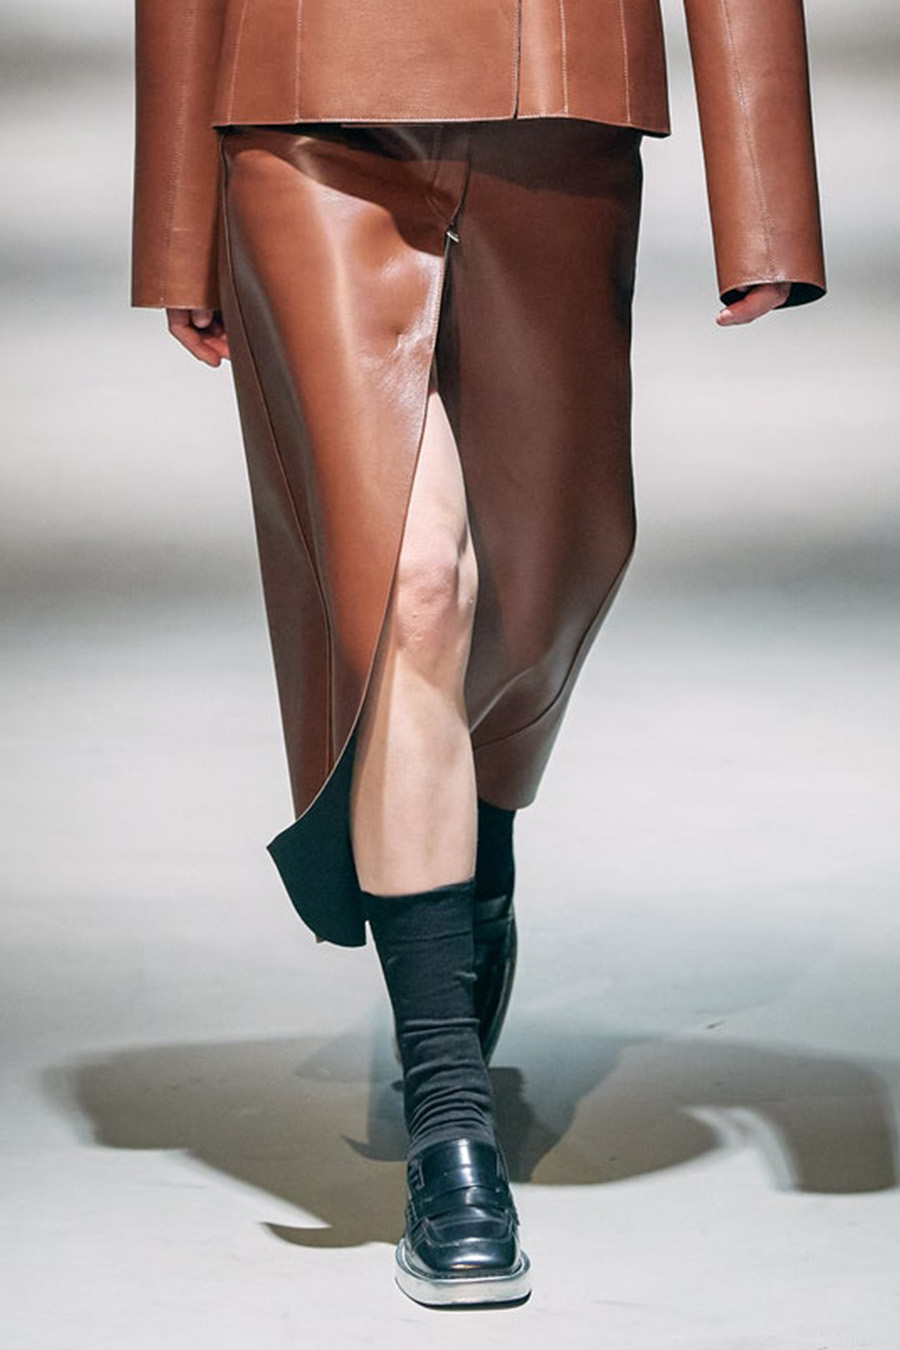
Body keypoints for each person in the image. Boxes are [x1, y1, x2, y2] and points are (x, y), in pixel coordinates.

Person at [132, 0, 825, 1308]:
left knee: (553, 562)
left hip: (557, 87)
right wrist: (177, 211)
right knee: (413, 585)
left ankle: (474, 826)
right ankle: (451, 1127)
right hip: (303, 94)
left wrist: (767, 186)